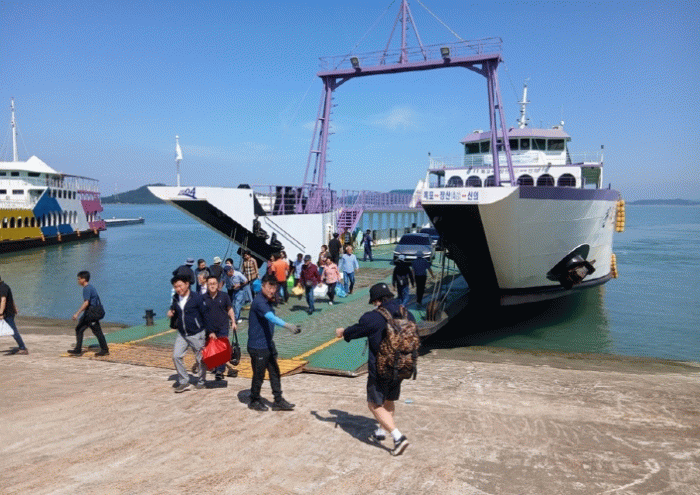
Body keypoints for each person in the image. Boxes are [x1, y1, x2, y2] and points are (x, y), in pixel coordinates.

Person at [335, 283, 414, 456]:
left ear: (377, 301)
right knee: (389, 399)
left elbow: (356, 330)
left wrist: (343, 332)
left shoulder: (373, 317)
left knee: (374, 404)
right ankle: (381, 430)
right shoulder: (406, 313)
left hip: (381, 369)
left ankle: (398, 437)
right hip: (402, 366)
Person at [247, 274, 301, 411]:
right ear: (263, 286)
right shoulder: (259, 302)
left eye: (274, 288)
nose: (272, 290)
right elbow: (270, 317)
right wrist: (287, 325)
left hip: (268, 344)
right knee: (259, 375)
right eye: (269, 287)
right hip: (258, 346)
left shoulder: (267, 299)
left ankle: (278, 400)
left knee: (275, 372)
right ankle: (254, 400)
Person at [167, 274, 210, 393]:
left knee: (200, 359)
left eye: (180, 286)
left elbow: (205, 315)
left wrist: (209, 332)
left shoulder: (197, 298)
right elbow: (174, 308)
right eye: (175, 287)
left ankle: (201, 381)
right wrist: (171, 312)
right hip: (182, 333)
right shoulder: (176, 297)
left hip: (197, 333)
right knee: (176, 356)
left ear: (187, 284)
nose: (178, 289)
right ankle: (184, 381)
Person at [202, 275, 236, 381]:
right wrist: (209, 331)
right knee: (211, 349)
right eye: (210, 284)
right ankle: (215, 366)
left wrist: (233, 322)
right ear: (207, 285)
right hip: (209, 328)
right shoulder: (203, 298)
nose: (212, 286)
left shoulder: (224, 296)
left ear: (218, 285)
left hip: (223, 326)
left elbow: (230, 309)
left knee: (221, 348)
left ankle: (220, 371)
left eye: (214, 283)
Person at [68, 271, 109, 357]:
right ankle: (78, 350)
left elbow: (86, 303)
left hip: (91, 314)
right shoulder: (90, 287)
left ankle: (104, 350)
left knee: (96, 331)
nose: (78, 281)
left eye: (79, 279)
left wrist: (77, 313)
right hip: (90, 313)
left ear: (84, 279)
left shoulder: (86, 288)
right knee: (80, 329)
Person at [0, 275, 27, 355]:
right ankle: (22, 347)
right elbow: (11, 299)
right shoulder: (4, 287)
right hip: (7, 312)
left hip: (7, 313)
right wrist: (15, 307)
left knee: (13, 331)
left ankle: (23, 348)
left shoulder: (3, 287)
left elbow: (4, 300)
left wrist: (1, 313)